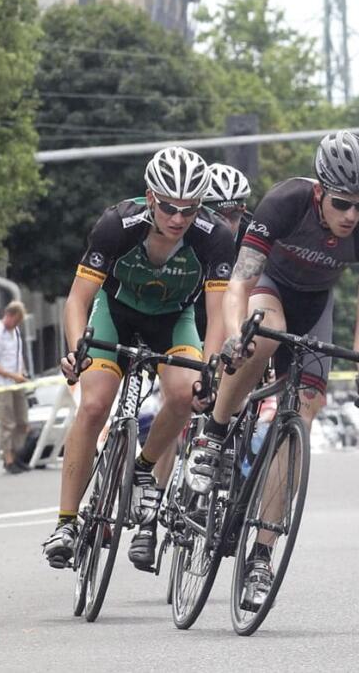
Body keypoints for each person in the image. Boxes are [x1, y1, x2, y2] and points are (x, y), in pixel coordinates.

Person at [188, 131, 359, 609]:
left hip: (316, 305)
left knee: (302, 416)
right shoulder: (286, 200)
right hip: (269, 287)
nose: (351, 216)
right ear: (320, 191)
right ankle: (213, 434)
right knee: (263, 334)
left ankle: (261, 556)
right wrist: (237, 333)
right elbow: (239, 282)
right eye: (342, 203)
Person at [42, 146, 235, 573]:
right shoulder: (117, 223)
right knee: (93, 405)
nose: (178, 218)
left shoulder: (215, 235)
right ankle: (66, 523)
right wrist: (76, 348)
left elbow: (219, 315)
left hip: (173, 320)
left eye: (189, 209)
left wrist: (212, 367)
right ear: (151, 197)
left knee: (186, 394)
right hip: (116, 315)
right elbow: (78, 299)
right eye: (168, 207)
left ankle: (144, 469)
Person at [195, 163, 253, 338]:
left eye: (234, 215)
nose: (226, 224)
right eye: (216, 215)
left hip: (233, 310)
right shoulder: (182, 230)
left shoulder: (252, 233)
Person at [0, 301, 30, 474]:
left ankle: (17, 455)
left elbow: (17, 355)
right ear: (8, 315)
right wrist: (12, 376)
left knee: (22, 421)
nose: (17, 325)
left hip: (16, 383)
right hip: (1, 385)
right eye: (16, 321)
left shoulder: (15, 332)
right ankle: (8, 459)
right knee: (7, 422)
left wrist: (21, 372)